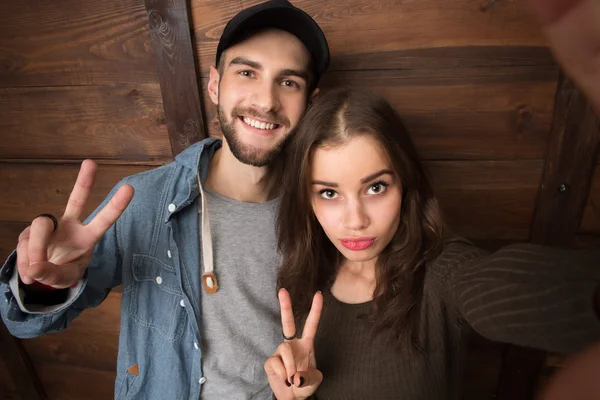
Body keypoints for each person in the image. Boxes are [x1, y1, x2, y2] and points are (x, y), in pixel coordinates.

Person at [0, 1, 329, 399]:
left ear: (310, 103)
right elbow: (25, 323)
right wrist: (43, 284)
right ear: (215, 84)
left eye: (289, 82)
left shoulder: (325, 210)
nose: (266, 101)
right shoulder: (145, 198)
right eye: (246, 72)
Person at [263, 86, 600, 399]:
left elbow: (517, 287)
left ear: (406, 183)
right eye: (329, 193)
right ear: (307, 200)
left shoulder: (441, 274)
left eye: (375, 187)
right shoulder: (301, 284)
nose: (355, 221)